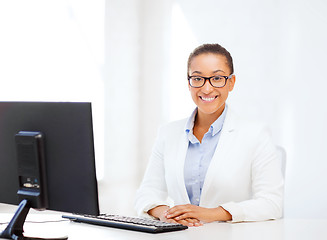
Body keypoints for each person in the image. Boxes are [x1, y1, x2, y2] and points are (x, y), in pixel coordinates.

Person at [134, 43, 284, 227]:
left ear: (231, 82)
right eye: (197, 79)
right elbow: (147, 192)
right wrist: (167, 214)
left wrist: (212, 213)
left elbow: (272, 203)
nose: (206, 89)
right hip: (181, 235)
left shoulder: (256, 134)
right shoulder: (168, 133)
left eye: (217, 78)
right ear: (188, 82)